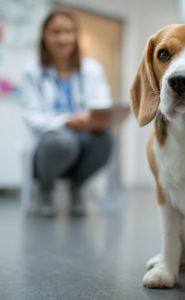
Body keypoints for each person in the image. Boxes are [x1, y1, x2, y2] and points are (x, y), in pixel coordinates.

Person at [20, 10, 113, 217]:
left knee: (105, 140)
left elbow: (102, 103)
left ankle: (77, 187)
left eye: (69, 32)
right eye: (56, 32)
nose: (63, 38)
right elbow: (32, 117)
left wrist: (95, 120)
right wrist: (69, 122)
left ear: (76, 36)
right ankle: (45, 190)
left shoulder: (92, 69)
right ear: (44, 36)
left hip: (83, 142)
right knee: (64, 141)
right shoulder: (32, 72)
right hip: (49, 148)